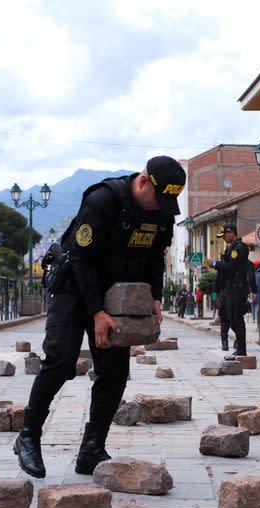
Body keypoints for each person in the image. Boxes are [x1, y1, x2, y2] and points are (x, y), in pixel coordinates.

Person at [14, 155, 183, 479]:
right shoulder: (104, 200)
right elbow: (81, 258)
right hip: (75, 287)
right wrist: (97, 313)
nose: (158, 207)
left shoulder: (161, 212)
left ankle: (92, 448)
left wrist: (155, 297)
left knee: (114, 372)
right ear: (144, 181)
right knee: (61, 361)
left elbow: (154, 258)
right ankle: (28, 436)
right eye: (156, 198)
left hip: (114, 293)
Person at [207, 223, 250, 360]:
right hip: (229, 288)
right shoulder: (231, 248)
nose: (224, 239)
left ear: (231, 232)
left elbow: (232, 267)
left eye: (224, 235)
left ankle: (241, 350)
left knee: (236, 318)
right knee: (230, 318)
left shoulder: (239, 248)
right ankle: (239, 348)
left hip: (237, 288)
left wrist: (215, 264)